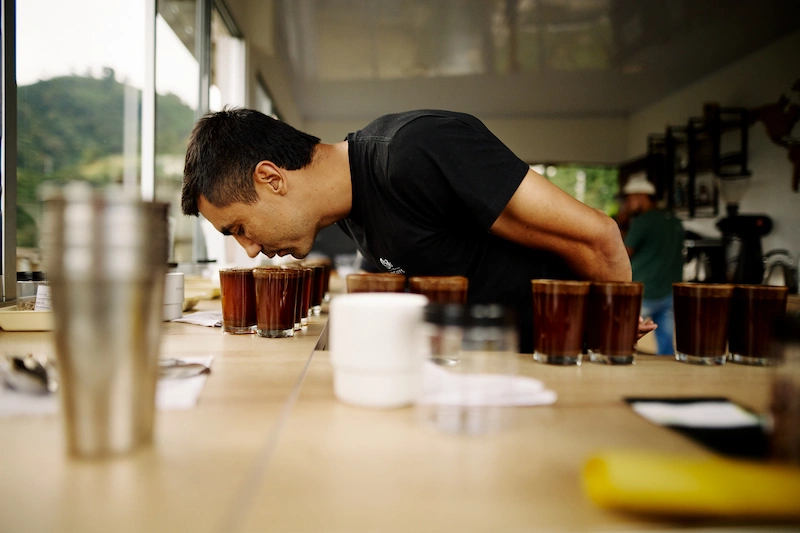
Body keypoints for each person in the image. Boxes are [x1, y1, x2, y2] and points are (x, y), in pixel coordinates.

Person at [182, 108, 635, 352]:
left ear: (271, 178)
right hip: (494, 374)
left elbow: (596, 235)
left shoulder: (413, 151)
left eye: (239, 227)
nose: (251, 250)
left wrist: (611, 344)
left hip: (559, 365)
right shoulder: (352, 210)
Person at [622, 173, 685, 355]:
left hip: (645, 290)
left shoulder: (642, 221)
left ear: (642, 196)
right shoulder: (674, 220)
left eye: (630, 199)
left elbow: (623, 254)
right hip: (670, 291)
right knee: (666, 347)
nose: (628, 204)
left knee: (622, 337)